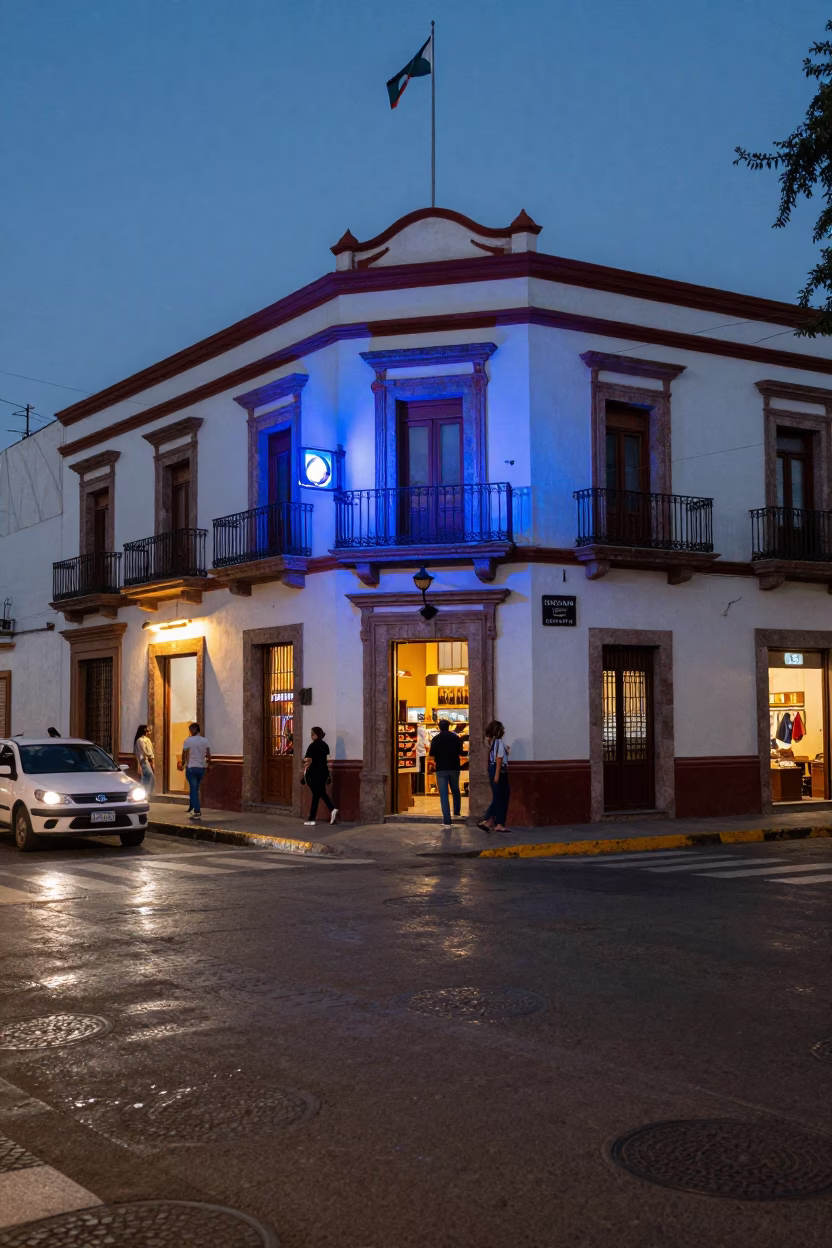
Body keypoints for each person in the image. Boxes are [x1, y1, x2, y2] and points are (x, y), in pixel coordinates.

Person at [429, 718, 464, 830]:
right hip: (454, 767)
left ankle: (447, 820)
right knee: (455, 789)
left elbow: (432, 753)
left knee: (444, 794)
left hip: (441, 768)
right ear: (449, 726)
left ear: (439, 727)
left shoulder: (435, 739)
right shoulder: (455, 738)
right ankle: (457, 811)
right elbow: (460, 751)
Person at [478, 720, 510, 834]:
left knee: (498, 796)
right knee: (501, 797)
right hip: (500, 772)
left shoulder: (494, 743)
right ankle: (488, 819)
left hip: (494, 769)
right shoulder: (499, 743)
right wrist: (497, 776)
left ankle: (492, 821)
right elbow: (499, 759)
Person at [302, 726, 339, 826]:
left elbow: (307, 760)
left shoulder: (312, 746)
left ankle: (312, 818)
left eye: (313, 734)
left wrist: (305, 767)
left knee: (317, 795)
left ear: (317, 734)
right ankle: (331, 810)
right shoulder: (325, 746)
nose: (311, 736)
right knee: (320, 794)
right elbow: (327, 760)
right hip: (323, 774)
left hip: (314, 774)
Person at [178, 722, 211, 819]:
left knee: (193, 790)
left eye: (190, 730)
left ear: (192, 730)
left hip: (191, 768)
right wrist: (208, 765)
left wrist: (182, 765)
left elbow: (184, 754)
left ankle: (196, 811)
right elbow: (208, 755)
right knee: (196, 788)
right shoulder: (205, 740)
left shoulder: (188, 741)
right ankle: (191, 807)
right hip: (201, 768)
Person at [133, 723, 155, 797]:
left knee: (149, 777)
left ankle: (146, 792)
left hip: (149, 760)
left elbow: (151, 750)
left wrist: (152, 760)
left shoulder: (147, 739)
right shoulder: (140, 740)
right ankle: (144, 792)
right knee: (149, 775)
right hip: (144, 760)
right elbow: (143, 751)